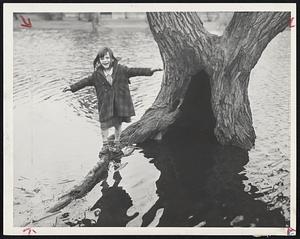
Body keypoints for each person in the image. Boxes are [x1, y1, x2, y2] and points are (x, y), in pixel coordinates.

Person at [63, 47, 162, 159]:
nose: (104, 61)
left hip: (118, 103)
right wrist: (71, 87)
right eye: (102, 59)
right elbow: (85, 82)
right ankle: (105, 144)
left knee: (117, 123)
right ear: (99, 60)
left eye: (107, 58)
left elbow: (134, 71)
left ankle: (116, 143)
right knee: (104, 124)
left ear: (111, 59)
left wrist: (150, 70)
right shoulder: (96, 75)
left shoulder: (121, 70)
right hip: (105, 104)